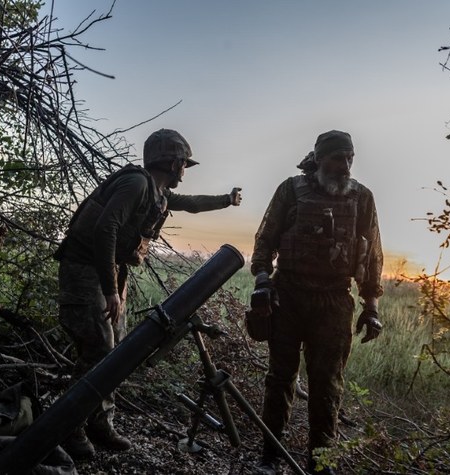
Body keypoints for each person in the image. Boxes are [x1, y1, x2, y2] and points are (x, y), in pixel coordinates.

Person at [53, 128, 242, 459]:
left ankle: (100, 424)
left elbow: (193, 204)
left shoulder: (158, 193)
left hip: (110, 272)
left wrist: (227, 200)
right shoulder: (137, 184)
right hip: (87, 271)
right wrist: (111, 290)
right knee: (98, 351)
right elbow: (105, 228)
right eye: (183, 164)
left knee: (114, 356)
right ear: (171, 162)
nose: (185, 171)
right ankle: (69, 428)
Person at [250, 130, 383, 475]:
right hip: (289, 295)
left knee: (328, 383)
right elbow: (266, 239)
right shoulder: (291, 190)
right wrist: (263, 281)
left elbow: (371, 256)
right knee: (280, 378)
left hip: (335, 300)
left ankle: (321, 463)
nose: (345, 165)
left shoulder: (362, 198)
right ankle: (269, 455)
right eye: (338, 157)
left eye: (350, 157)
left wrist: (371, 307)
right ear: (319, 158)